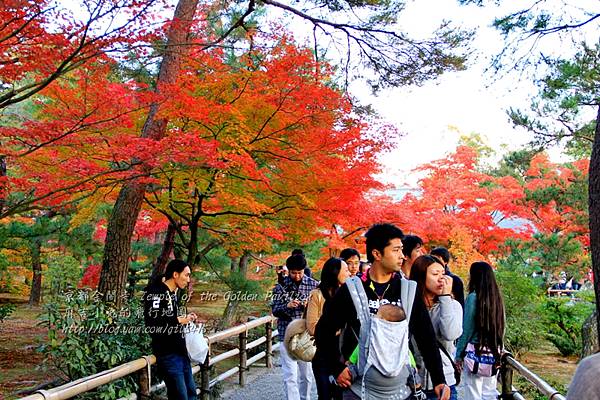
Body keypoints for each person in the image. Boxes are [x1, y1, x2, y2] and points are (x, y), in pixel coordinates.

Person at [315, 223, 449, 400]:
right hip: (359, 389)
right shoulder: (352, 289)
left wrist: (439, 379)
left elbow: (426, 336)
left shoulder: (407, 290)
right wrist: (336, 368)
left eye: (402, 250)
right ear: (376, 254)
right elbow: (324, 331)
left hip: (401, 389)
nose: (402, 256)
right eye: (396, 250)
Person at [144, 259, 198, 400]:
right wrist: (180, 320)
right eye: (186, 275)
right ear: (175, 274)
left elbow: (168, 319)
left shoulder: (171, 294)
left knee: (191, 393)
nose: (188, 279)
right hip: (168, 354)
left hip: (181, 352)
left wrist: (184, 319)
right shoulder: (156, 293)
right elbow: (153, 323)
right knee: (180, 396)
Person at [410, 255, 463, 400]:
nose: (441, 278)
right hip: (413, 383)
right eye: (435, 274)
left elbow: (450, 334)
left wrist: (445, 297)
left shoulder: (452, 306)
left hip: (444, 383)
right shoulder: (410, 307)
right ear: (421, 277)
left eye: (443, 273)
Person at [272, 253, 319, 400]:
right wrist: (287, 305)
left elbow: (322, 310)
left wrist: (309, 306)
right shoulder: (281, 286)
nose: (297, 276)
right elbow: (275, 310)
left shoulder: (314, 285)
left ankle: (305, 397)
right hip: (286, 334)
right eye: (293, 273)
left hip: (307, 336)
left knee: (306, 375)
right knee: (290, 375)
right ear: (289, 270)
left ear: (304, 270)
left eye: (300, 272)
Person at [455, 261, 505, 400]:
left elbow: (466, 330)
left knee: (473, 392)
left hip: (475, 352)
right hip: (493, 351)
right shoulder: (497, 298)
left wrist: (458, 354)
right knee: (489, 392)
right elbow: (502, 325)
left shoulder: (474, 298)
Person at [307, 257, 350, 399]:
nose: (349, 273)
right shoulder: (317, 295)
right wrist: (335, 330)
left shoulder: (349, 294)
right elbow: (312, 327)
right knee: (325, 395)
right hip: (323, 355)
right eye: (346, 270)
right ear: (335, 272)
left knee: (342, 395)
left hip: (343, 356)